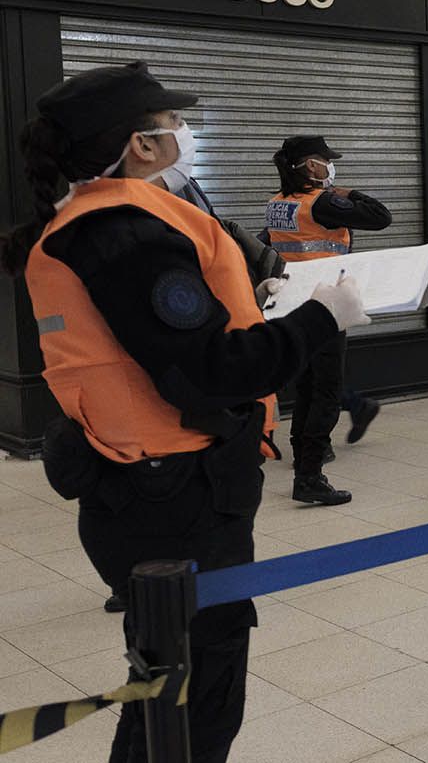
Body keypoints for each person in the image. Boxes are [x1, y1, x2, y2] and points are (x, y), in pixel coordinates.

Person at [1, 62, 368, 763]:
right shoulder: (124, 232)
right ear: (141, 143)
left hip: (144, 489)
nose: (182, 132)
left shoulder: (91, 222)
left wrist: (249, 307)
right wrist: (321, 319)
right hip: (176, 500)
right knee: (196, 696)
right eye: (171, 121)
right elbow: (208, 374)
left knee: (163, 685)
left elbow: (157, 348)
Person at [266, 135, 392, 505]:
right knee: (326, 388)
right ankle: (310, 474)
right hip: (325, 305)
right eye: (325, 160)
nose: (330, 166)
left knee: (306, 384)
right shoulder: (322, 203)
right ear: (311, 165)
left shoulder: (278, 203)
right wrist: (350, 194)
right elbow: (381, 217)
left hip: (292, 303)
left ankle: (303, 456)